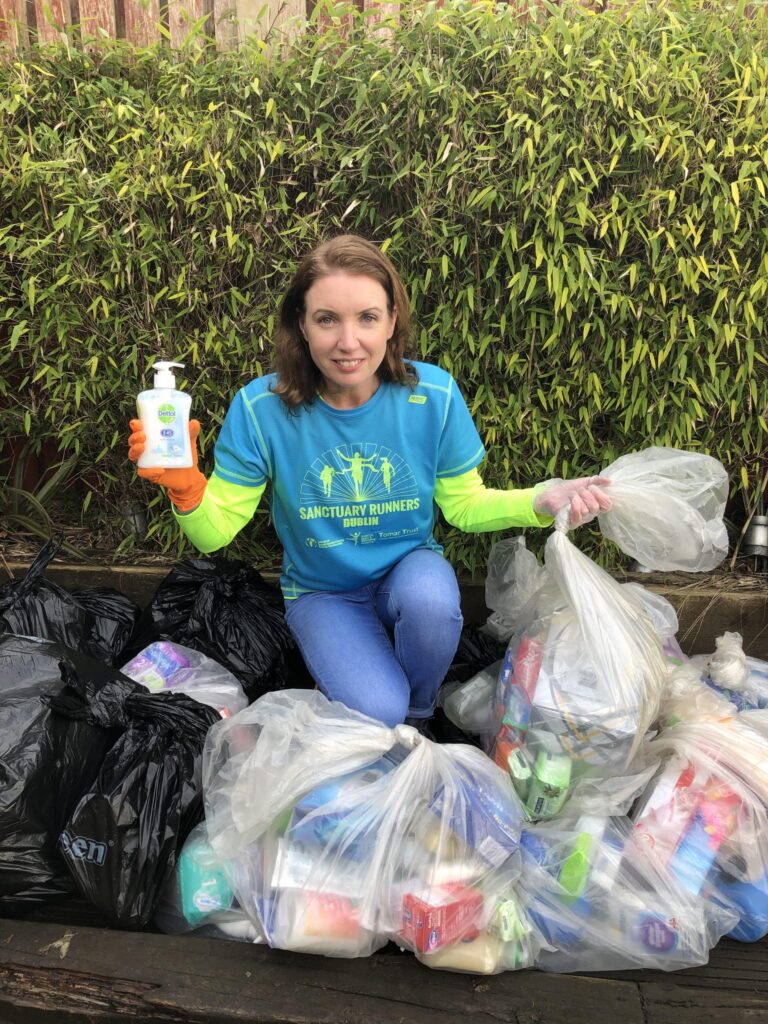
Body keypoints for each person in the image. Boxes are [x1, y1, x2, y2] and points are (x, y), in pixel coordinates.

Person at [128, 235, 611, 730]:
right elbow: (216, 531)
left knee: (431, 605)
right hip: (322, 593)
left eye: (367, 317)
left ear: (391, 321)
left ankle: (419, 714)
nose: (348, 342)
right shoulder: (261, 409)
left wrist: (542, 499)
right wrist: (185, 487)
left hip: (408, 572)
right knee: (378, 708)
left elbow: (465, 505)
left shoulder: (434, 395)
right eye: (327, 319)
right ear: (302, 324)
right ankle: (379, 698)